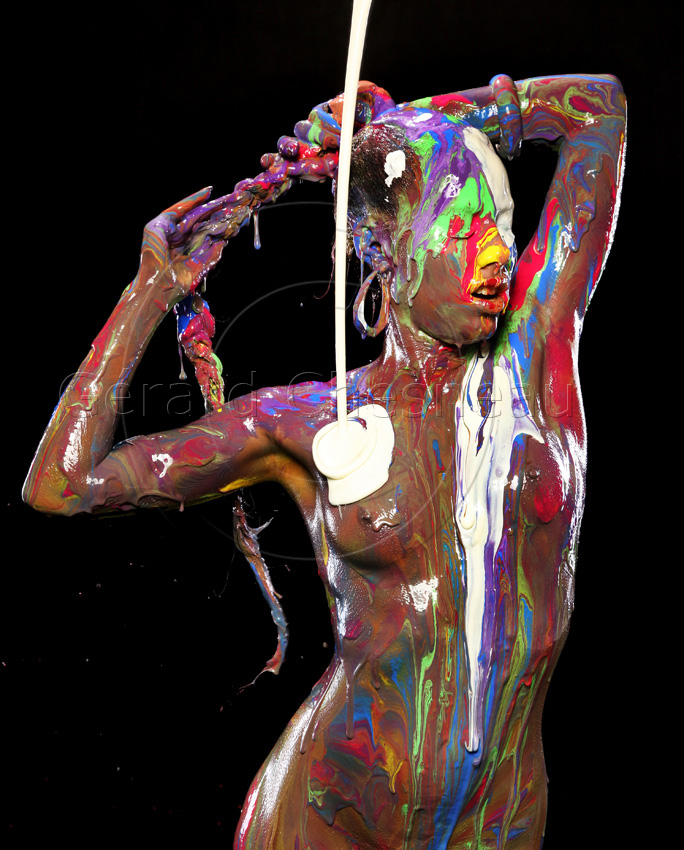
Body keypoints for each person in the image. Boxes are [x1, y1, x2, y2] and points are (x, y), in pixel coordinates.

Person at [23, 74, 626, 849]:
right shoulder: (302, 424)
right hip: (330, 817)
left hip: (497, 825)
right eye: (461, 226)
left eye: (502, 225)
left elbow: (600, 108)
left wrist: (406, 125)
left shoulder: (537, 350)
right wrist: (147, 295)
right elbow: (62, 486)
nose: (496, 252)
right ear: (386, 251)